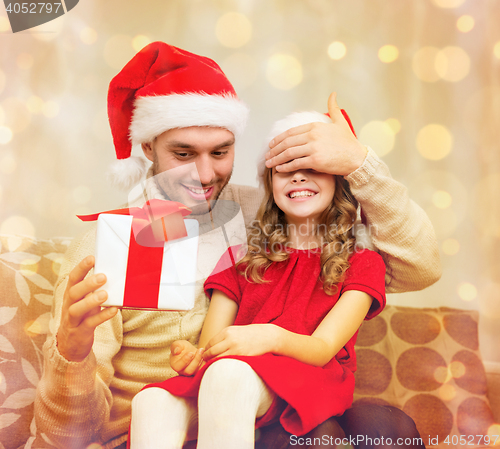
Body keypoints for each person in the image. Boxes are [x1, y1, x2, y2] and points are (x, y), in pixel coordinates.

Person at [34, 41, 439, 449]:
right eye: (183, 153)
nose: (205, 174)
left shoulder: (263, 217)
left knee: (384, 428)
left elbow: (418, 266)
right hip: (161, 424)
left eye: (220, 152)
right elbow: (63, 437)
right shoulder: (106, 247)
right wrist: (72, 354)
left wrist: (359, 164)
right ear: (146, 147)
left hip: (261, 413)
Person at [128, 110, 387, 449]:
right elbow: (212, 348)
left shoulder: (362, 262)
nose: (297, 178)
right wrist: (193, 356)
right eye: (285, 170)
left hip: (308, 377)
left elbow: (323, 350)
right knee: (152, 401)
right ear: (269, 183)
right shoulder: (244, 260)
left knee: (228, 375)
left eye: (312, 169)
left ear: (340, 182)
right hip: (234, 376)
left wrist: (268, 337)